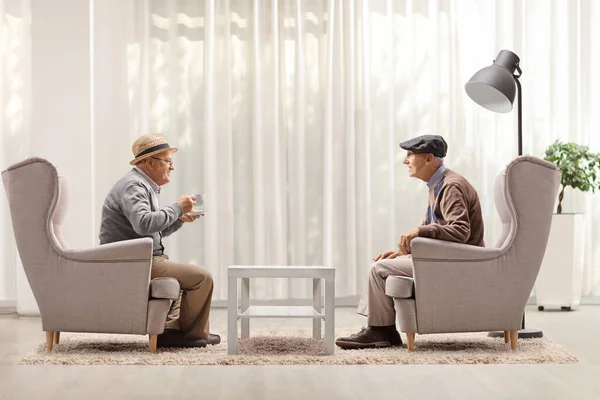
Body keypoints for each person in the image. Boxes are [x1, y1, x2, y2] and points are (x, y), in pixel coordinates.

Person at [335, 134, 485, 349]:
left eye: (410, 155)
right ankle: (383, 331)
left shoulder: (451, 186)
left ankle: (381, 332)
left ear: (428, 158)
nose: (405, 161)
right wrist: (403, 254)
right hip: (448, 258)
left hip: (459, 262)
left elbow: (460, 231)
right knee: (384, 264)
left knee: (378, 269)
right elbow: (441, 233)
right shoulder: (439, 185)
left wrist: (418, 231)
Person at [99, 133, 218, 348]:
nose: (171, 167)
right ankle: (190, 335)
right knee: (202, 278)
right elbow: (144, 223)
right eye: (168, 161)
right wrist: (177, 207)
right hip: (131, 261)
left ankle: (171, 332)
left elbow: (150, 231)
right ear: (149, 162)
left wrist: (179, 218)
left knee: (187, 276)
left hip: (140, 257)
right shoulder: (133, 186)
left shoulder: (142, 185)